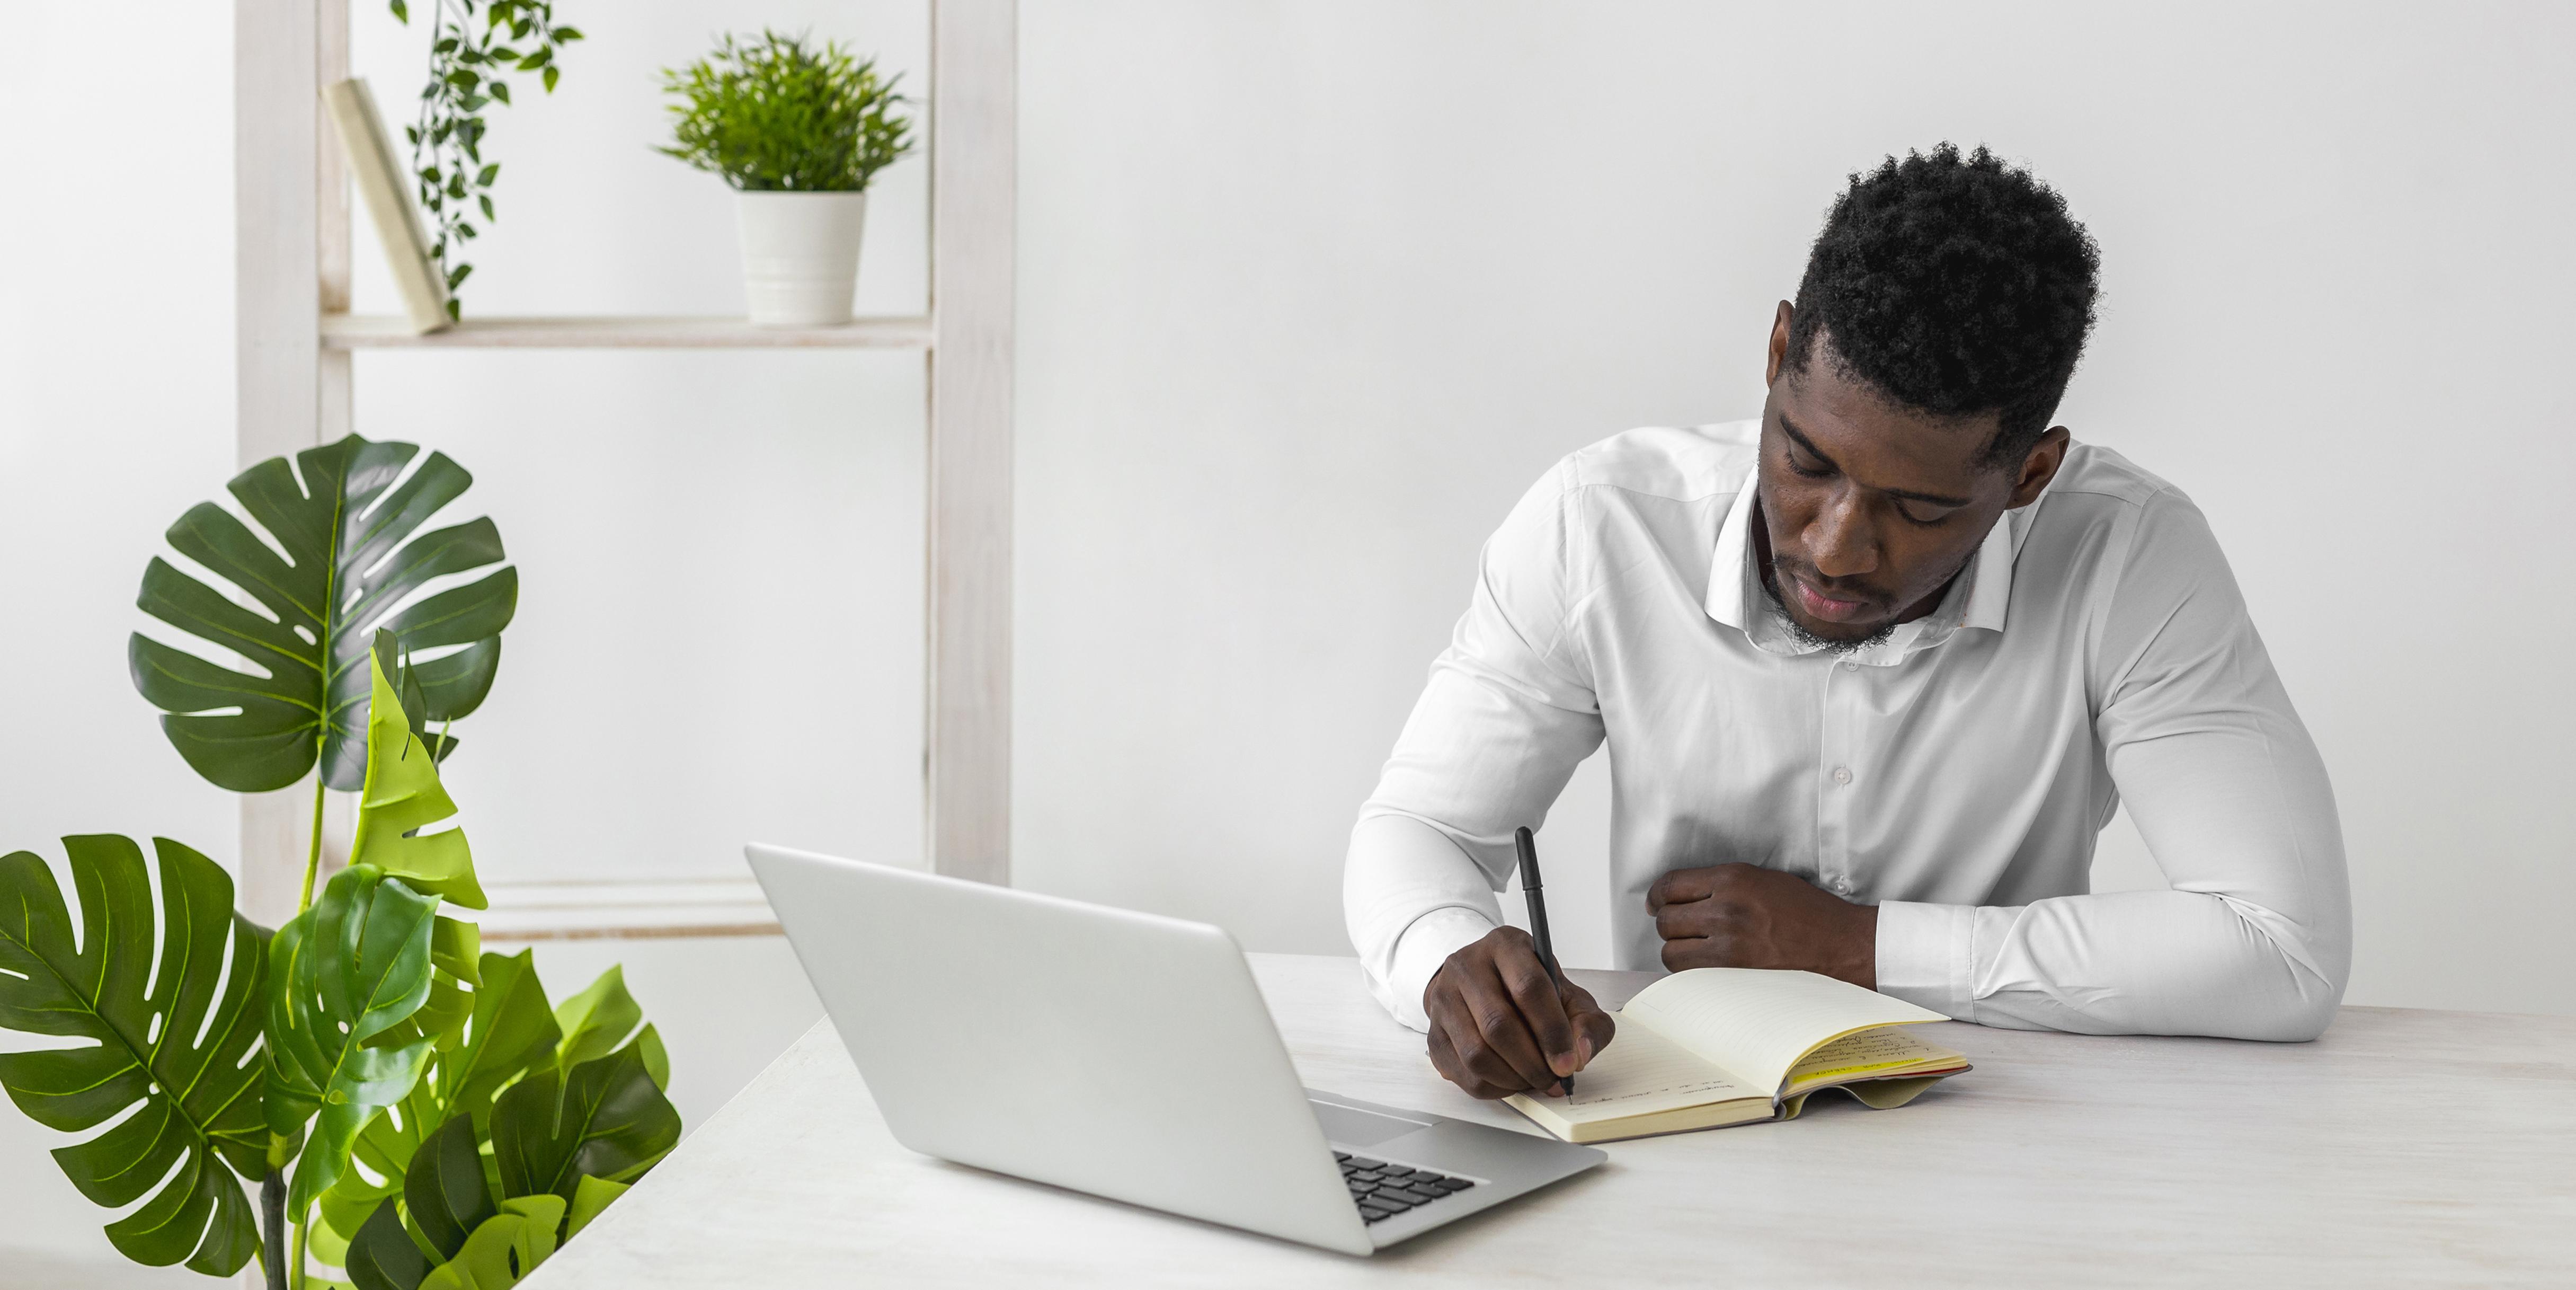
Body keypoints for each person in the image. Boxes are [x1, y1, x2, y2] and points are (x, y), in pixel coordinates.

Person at [1342, 144, 2350, 1102]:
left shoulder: (2128, 554)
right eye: (1808, 462)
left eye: (1918, 511)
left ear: (2027, 477)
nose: (1834, 548)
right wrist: (1446, 963)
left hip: (2007, 1146)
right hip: (1663, 1128)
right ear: (1779, 352)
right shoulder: (1597, 527)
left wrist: (1857, 946)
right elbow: (1422, 828)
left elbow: (2280, 947)